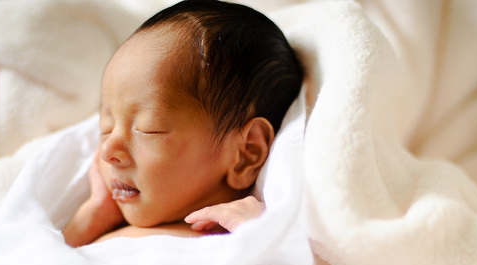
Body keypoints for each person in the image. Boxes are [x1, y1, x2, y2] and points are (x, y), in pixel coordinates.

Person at [63, 0, 304, 246]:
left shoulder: (237, 242)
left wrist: (262, 236)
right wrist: (88, 221)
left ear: (246, 153)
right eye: (106, 128)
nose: (107, 151)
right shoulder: (100, 235)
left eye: (149, 129)